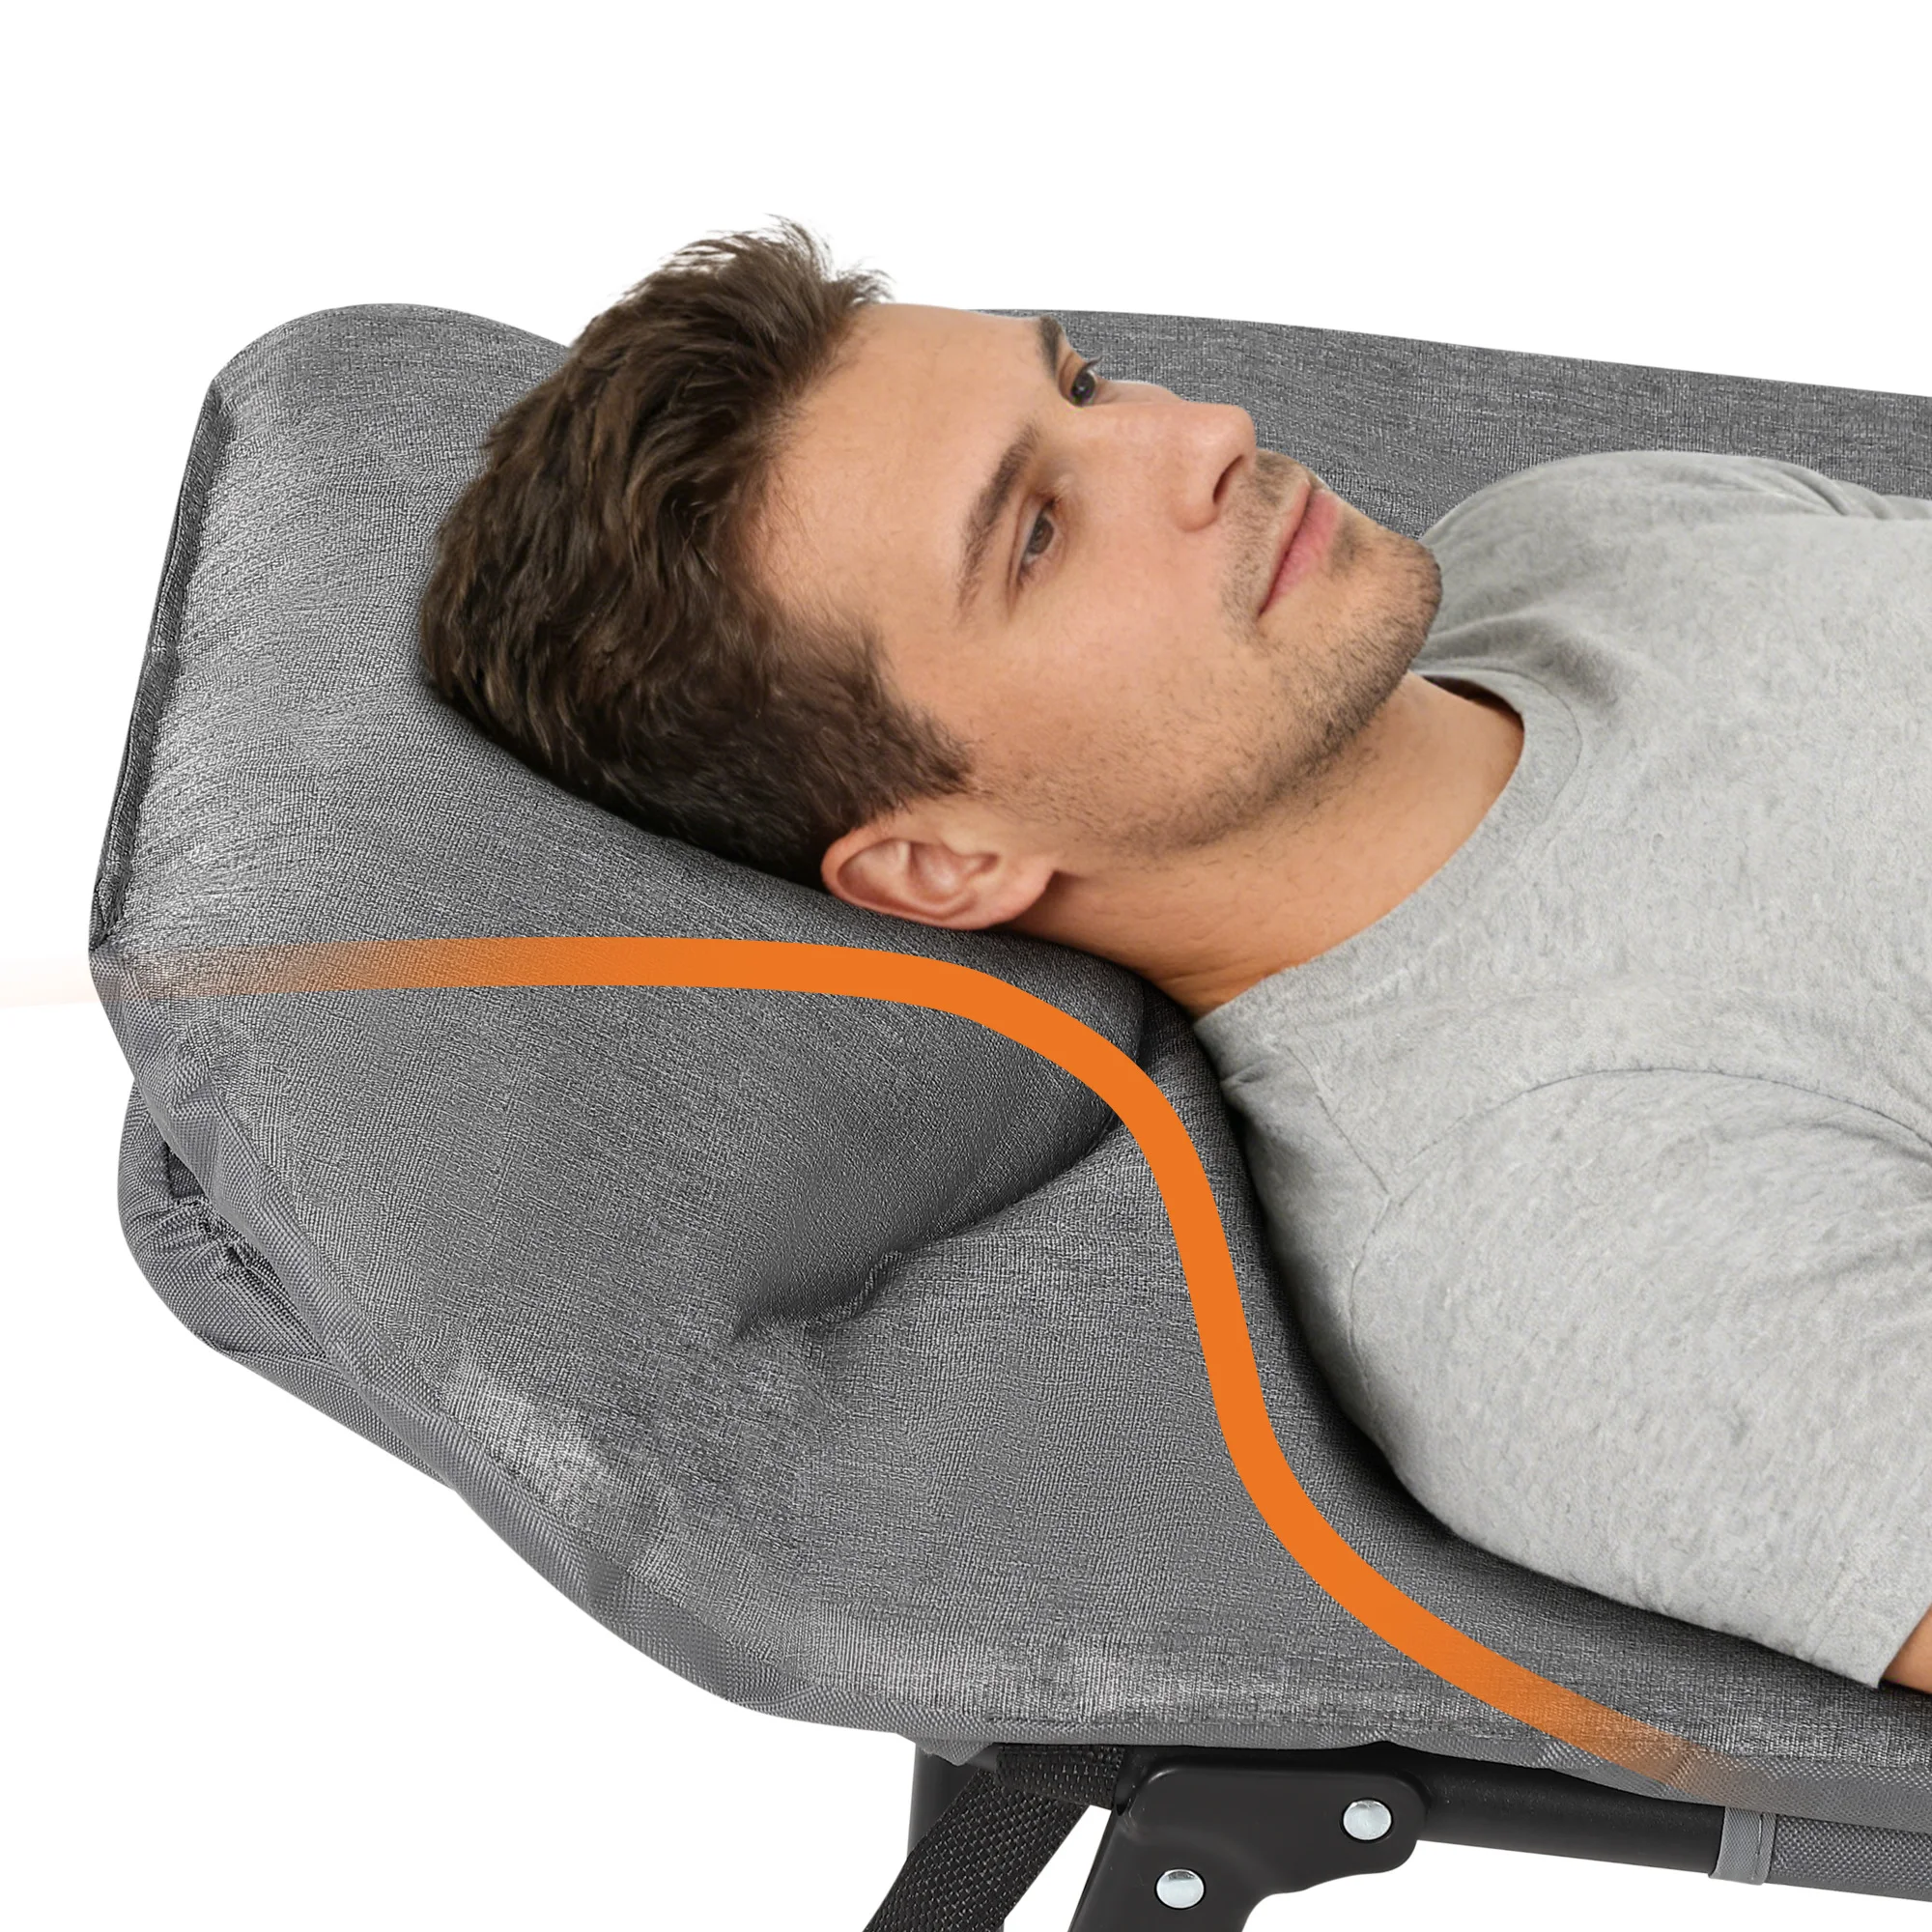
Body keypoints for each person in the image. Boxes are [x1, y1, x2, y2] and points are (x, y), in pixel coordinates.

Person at [418, 218, 1932, 1700]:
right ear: (947, 863)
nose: (1206, 436)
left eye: (1082, 386)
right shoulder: (1554, 1244)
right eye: (1036, 534)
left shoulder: (1582, 527)